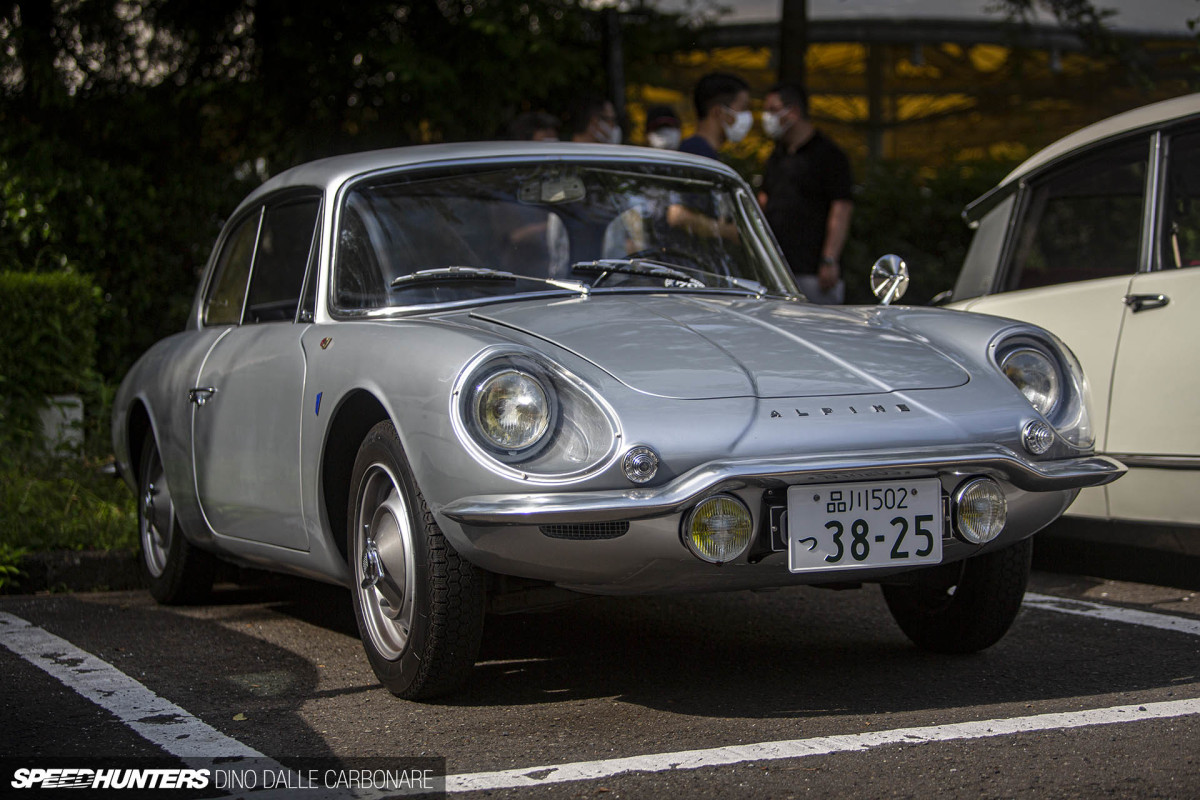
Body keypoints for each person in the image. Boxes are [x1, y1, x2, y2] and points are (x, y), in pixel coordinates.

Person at [758, 83, 854, 304]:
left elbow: (841, 208)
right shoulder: (777, 156)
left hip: (813, 270)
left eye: (773, 110)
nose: (767, 117)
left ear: (793, 112)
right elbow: (764, 200)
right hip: (777, 270)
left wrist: (829, 259)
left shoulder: (829, 155)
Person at [679, 72, 752, 161]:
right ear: (718, 112)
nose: (747, 115)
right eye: (743, 108)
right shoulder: (699, 157)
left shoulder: (697, 151)